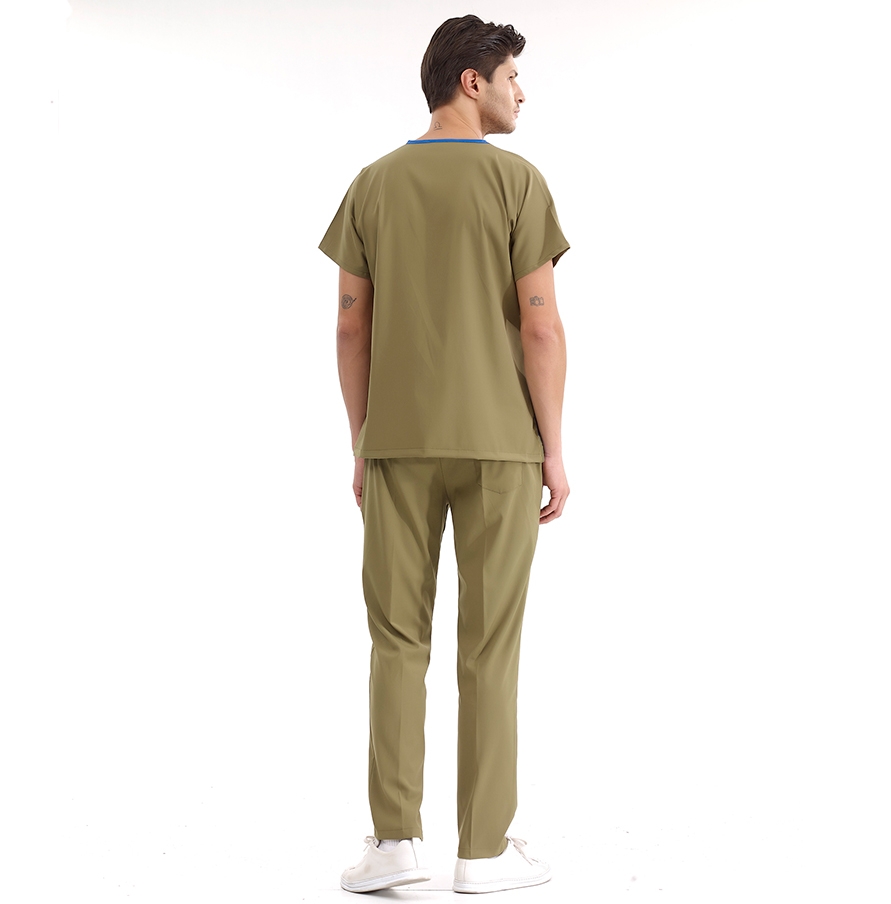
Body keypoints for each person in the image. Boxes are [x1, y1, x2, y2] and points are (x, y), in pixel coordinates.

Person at [319, 14, 570, 895]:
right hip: (501, 445)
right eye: (512, 77)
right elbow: (540, 325)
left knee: (396, 641)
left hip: (397, 444)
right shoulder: (517, 182)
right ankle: (484, 854)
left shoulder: (373, 184)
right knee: (489, 648)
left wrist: (363, 440)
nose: (520, 92)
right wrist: (554, 449)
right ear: (472, 81)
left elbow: (350, 326)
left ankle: (395, 845)